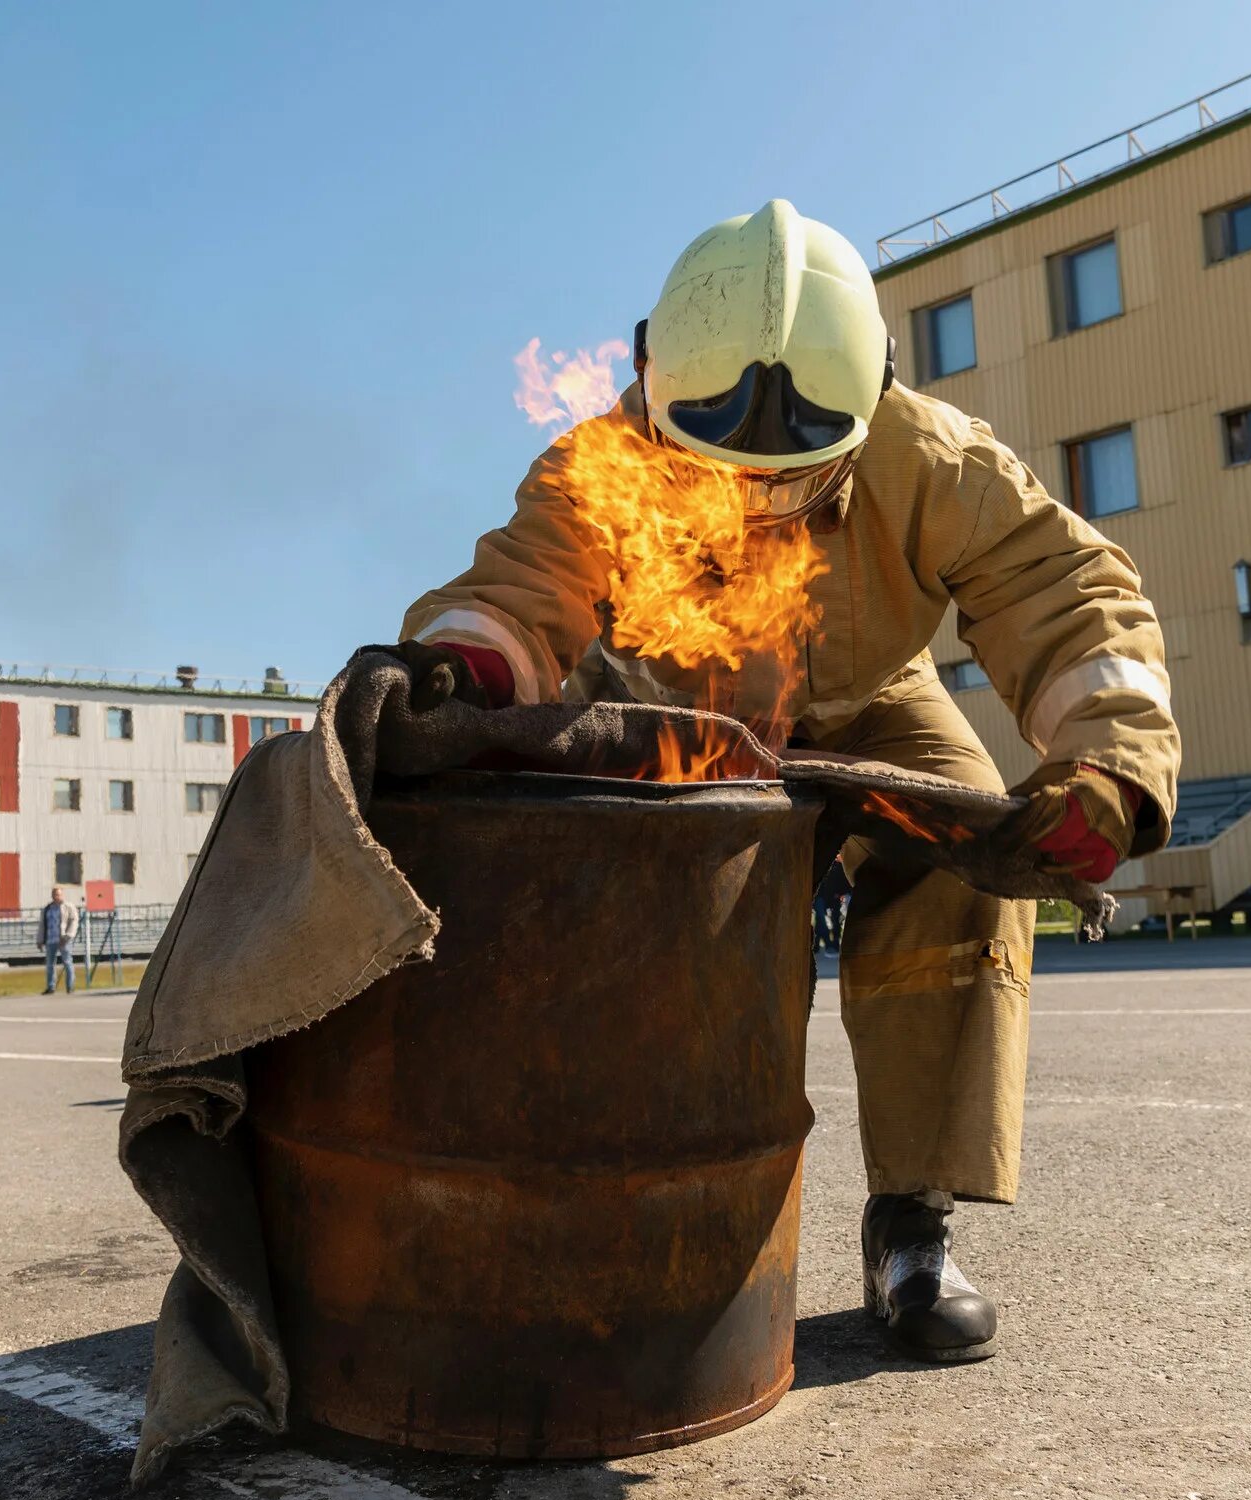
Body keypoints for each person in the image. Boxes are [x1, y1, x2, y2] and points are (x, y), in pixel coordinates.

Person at [387, 201, 1179, 1363]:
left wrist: (1108, 761)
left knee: (965, 862)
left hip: (869, 694)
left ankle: (911, 1220)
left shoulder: (931, 458)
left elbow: (1062, 596)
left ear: (871, 402)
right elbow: (525, 586)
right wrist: (463, 667)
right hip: (675, 696)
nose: (756, 500)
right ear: (652, 381)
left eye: (794, 473)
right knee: (662, 909)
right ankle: (629, 1211)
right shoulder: (600, 465)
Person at [38, 887, 79, 995]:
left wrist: (67, 936)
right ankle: (51, 987)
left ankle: (70, 986)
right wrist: (40, 939)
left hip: (63, 939)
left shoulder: (68, 907)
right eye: (54, 894)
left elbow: (73, 922)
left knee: (67, 962)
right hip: (50, 939)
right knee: (50, 964)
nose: (56, 896)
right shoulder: (48, 908)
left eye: (58, 894)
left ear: (62, 895)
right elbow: (42, 925)